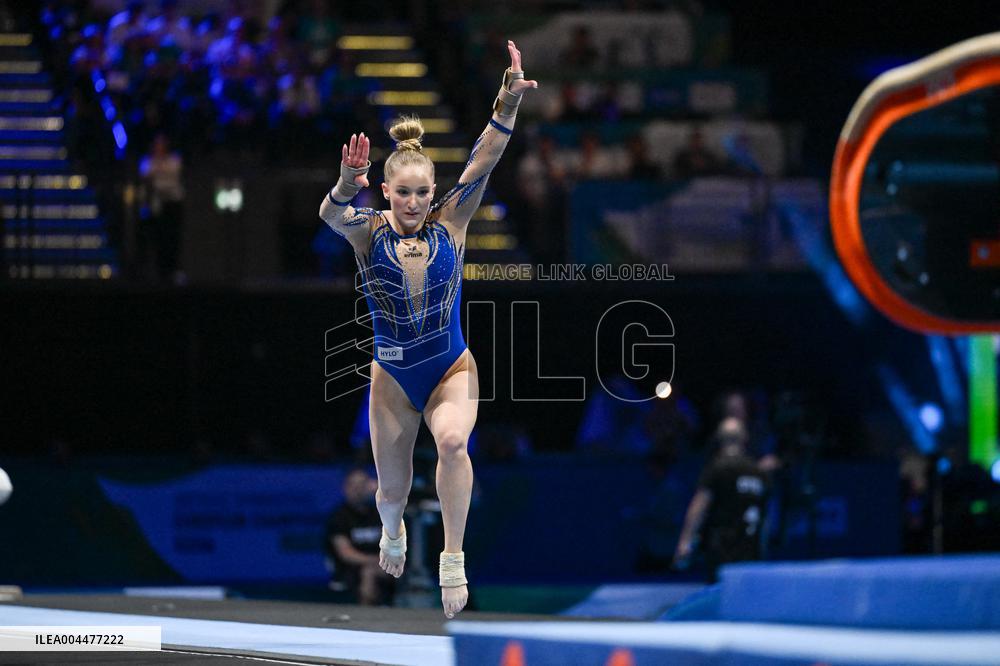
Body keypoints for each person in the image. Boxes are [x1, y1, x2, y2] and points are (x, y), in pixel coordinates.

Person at [318, 40, 537, 618]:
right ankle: (393, 531)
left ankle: (453, 559)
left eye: (422, 192)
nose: (414, 202)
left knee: (450, 441)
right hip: (391, 373)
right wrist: (345, 182)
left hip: (449, 366)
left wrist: (508, 101)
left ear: (433, 192)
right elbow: (330, 215)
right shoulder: (369, 230)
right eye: (403, 192)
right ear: (385, 191)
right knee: (389, 492)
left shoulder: (452, 221)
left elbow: (485, 158)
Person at [674, 417, 769, 581]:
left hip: (721, 551)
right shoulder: (759, 472)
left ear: (719, 439)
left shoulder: (717, 468)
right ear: (744, 438)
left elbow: (700, 506)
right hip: (752, 551)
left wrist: (685, 542)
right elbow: (766, 517)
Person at [326, 469, 395, 606]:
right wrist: (373, 561)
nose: (358, 490)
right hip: (351, 568)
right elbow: (346, 553)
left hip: (384, 566)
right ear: (345, 488)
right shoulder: (339, 517)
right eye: (354, 486)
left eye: (362, 485)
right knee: (368, 573)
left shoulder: (381, 513)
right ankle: (366, 612)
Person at [139, 133, 185, 282]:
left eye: (162, 145)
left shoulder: (175, 160)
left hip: (173, 204)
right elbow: (146, 173)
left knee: (172, 238)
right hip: (156, 205)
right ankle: (157, 271)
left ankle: (173, 270)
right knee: (158, 237)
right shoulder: (147, 161)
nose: (159, 148)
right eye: (157, 145)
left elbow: (173, 173)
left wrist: (159, 171)